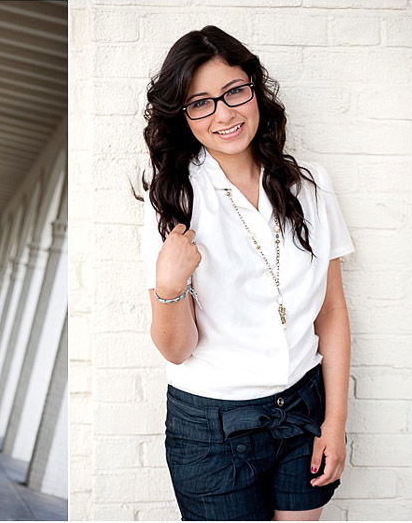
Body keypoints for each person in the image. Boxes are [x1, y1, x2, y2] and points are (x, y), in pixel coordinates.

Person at [141, 26, 354, 521]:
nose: (225, 113)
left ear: (255, 89)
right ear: (183, 115)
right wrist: (170, 287)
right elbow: (176, 350)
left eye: (235, 91)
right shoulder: (173, 200)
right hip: (213, 429)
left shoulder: (310, 186)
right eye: (201, 103)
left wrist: (335, 422)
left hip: (304, 406)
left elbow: (332, 310)